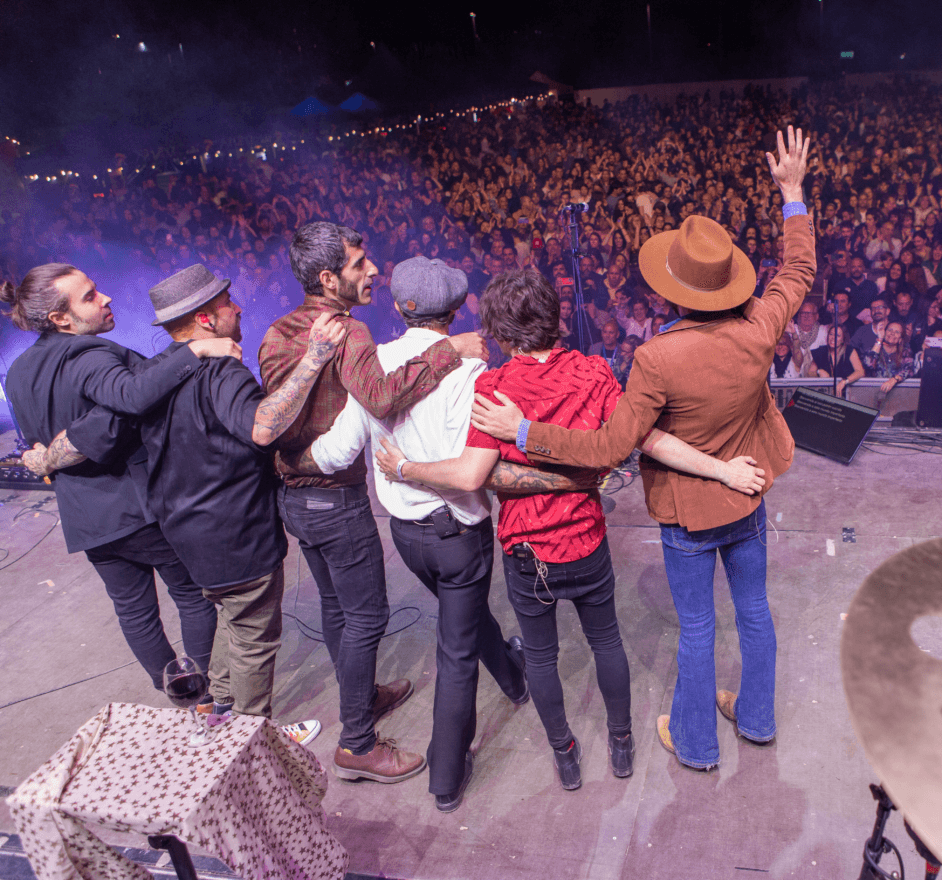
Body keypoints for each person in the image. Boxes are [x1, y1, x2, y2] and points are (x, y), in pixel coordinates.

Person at [471, 126, 814, 771]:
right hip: (748, 494)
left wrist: (523, 433)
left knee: (700, 630)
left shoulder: (656, 357)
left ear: (672, 291)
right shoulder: (761, 329)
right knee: (754, 613)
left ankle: (696, 743)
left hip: (689, 514)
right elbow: (798, 270)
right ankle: (759, 721)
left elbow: (611, 446)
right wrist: (792, 194)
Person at [373, 269, 766, 787]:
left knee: (540, 657)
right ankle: (621, 744)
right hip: (585, 540)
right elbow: (642, 440)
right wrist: (720, 468)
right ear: (554, 320)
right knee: (607, 643)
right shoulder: (595, 372)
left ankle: (565, 755)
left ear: (504, 333)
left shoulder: (494, 386)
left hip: (527, 550)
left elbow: (472, 474)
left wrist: (402, 469)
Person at [302, 258, 611, 809]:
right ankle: (446, 776)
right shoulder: (473, 374)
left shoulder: (371, 370)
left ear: (398, 309)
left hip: (406, 536)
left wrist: (287, 460)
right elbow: (488, 468)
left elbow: (338, 451)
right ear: (460, 310)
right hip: (458, 534)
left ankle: (515, 679)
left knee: (461, 616)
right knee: (455, 651)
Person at [28, 264, 344, 737]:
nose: (237, 308)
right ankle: (251, 743)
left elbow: (90, 432)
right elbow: (263, 426)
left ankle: (212, 718)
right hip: (237, 534)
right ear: (206, 321)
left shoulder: (149, 373)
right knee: (254, 637)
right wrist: (314, 358)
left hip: (183, 534)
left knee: (229, 621)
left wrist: (46, 460)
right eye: (226, 303)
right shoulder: (221, 371)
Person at [258, 221, 485, 783]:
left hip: (294, 500)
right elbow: (381, 397)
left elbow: (282, 415)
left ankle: (363, 696)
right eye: (361, 265)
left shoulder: (276, 333)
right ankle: (357, 743)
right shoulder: (348, 332)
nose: (373, 271)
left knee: (337, 611)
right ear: (328, 277)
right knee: (366, 619)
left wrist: (294, 463)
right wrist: (448, 349)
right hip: (336, 502)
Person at [3, 263, 230, 691]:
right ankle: (206, 696)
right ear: (60, 319)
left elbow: (37, 439)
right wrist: (195, 351)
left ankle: (177, 692)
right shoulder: (89, 355)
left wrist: (49, 460)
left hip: (88, 520)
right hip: (140, 508)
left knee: (134, 612)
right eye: (89, 296)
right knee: (193, 597)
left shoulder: (18, 371)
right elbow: (132, 395)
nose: (105, 298)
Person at [809, 323, 865, 396]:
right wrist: (818, 371)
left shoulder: (849, 351)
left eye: (838, 336)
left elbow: (860, 372)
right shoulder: (821, 351)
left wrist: (844, 381)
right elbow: (810, 372)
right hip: (825, 393)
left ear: (843, 339)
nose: (833, 338)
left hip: (846, 394)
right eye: (831, 334)